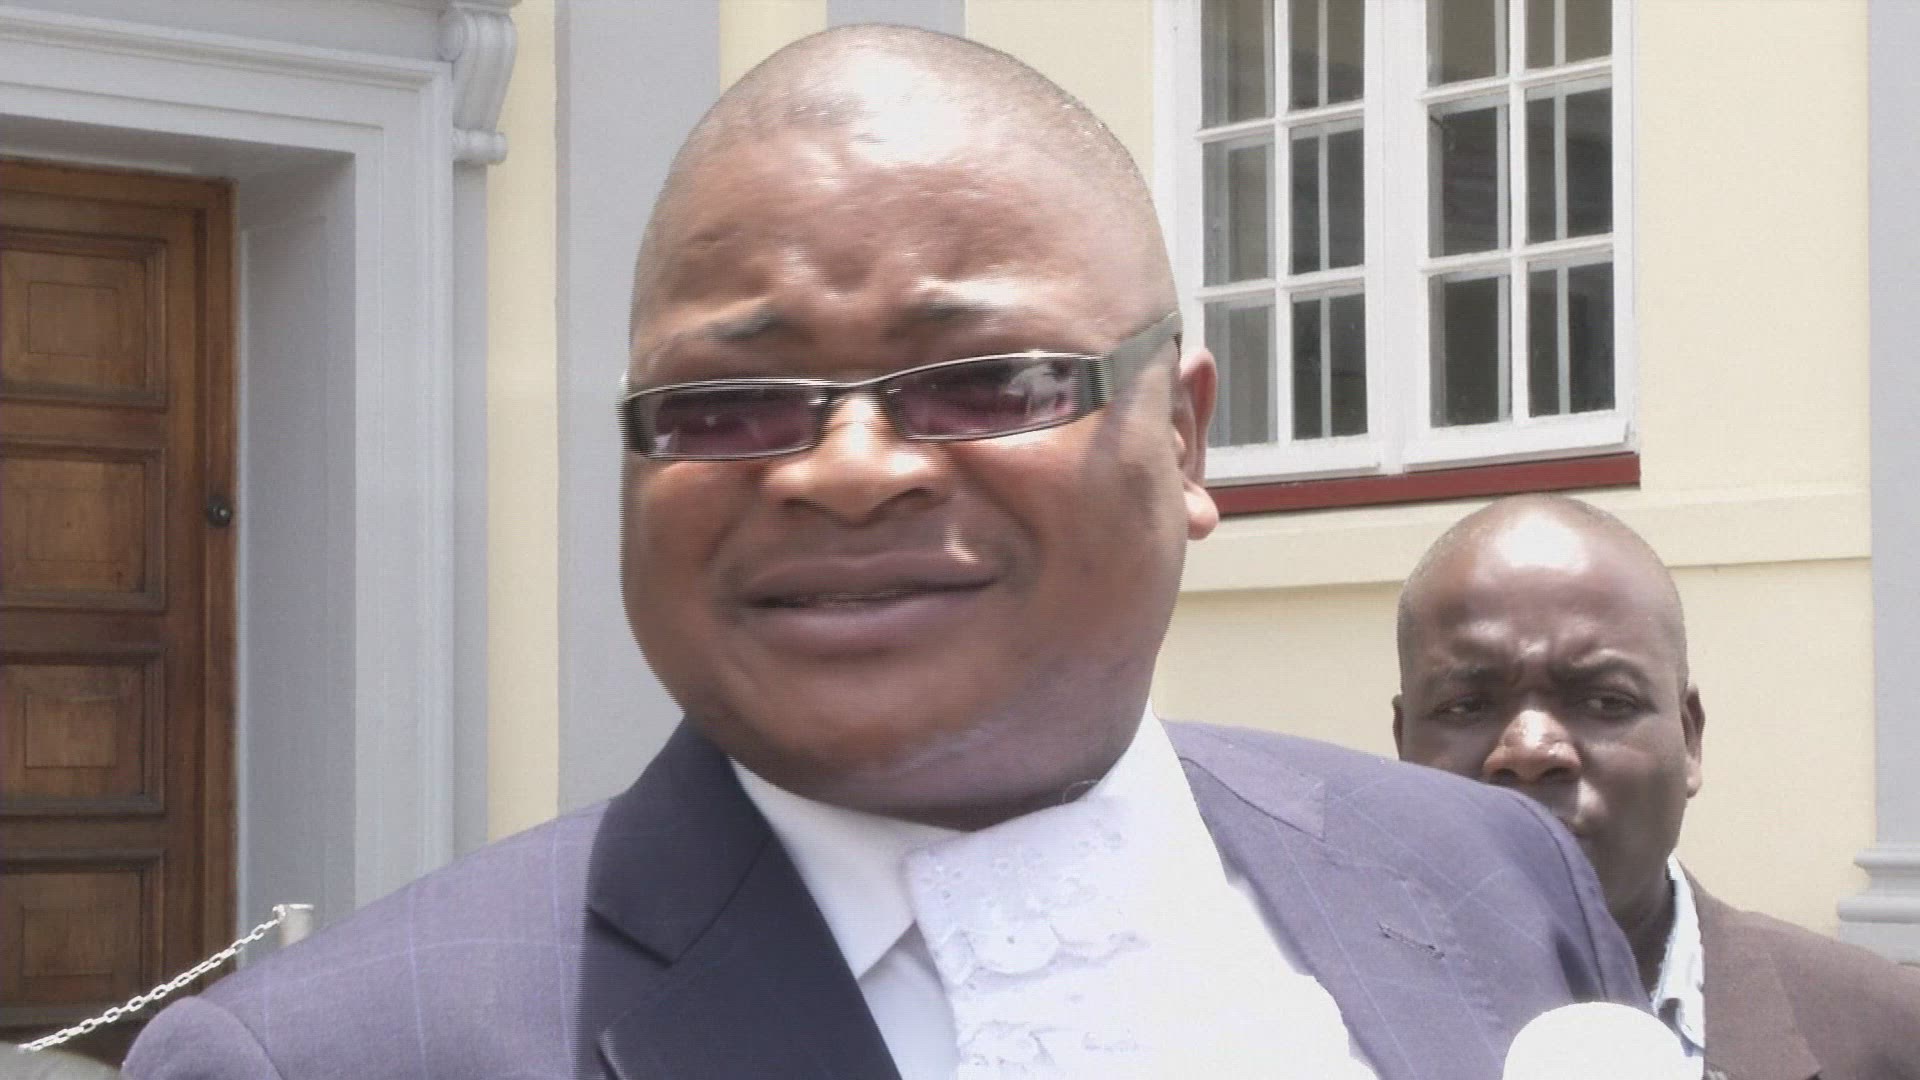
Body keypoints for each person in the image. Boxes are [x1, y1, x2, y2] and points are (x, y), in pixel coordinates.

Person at [124, 27, 1643, 1080]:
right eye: (727, 404)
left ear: (1184, 440)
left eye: (988, 381)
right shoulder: (329, 1058)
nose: (846, 472)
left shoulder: (1491, 876)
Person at [1393, 493, 1920, 1080]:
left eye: (1604, 701)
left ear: (1689, 738)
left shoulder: (1892, 1036)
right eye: (1466, 706)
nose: (1531, 751)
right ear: (1401, 743)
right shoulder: (1321, 1029)